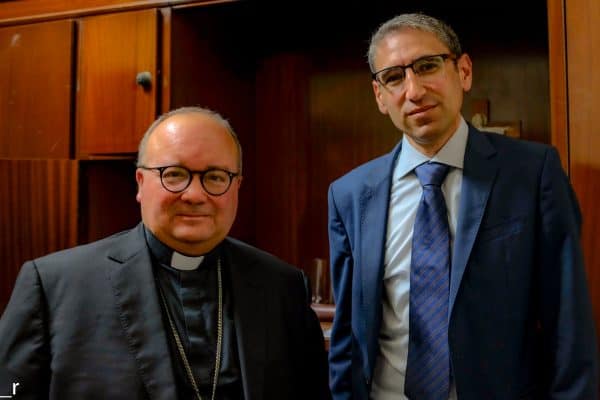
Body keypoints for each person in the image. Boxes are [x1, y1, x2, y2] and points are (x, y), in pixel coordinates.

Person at [327, 13, 598, 400]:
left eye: (427, 66)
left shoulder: (532, 173)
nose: (414, 90)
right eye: (394, 77)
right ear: (380, 96)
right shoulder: (350, 194)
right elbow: (347, 335)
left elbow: (568, 321)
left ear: (464, 72)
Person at [0, 106, 331, 400]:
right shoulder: (54, 287)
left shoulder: (282, 287)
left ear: (237, 188)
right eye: (174, 174)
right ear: (140, 183)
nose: (195, 195)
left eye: (216, 177)